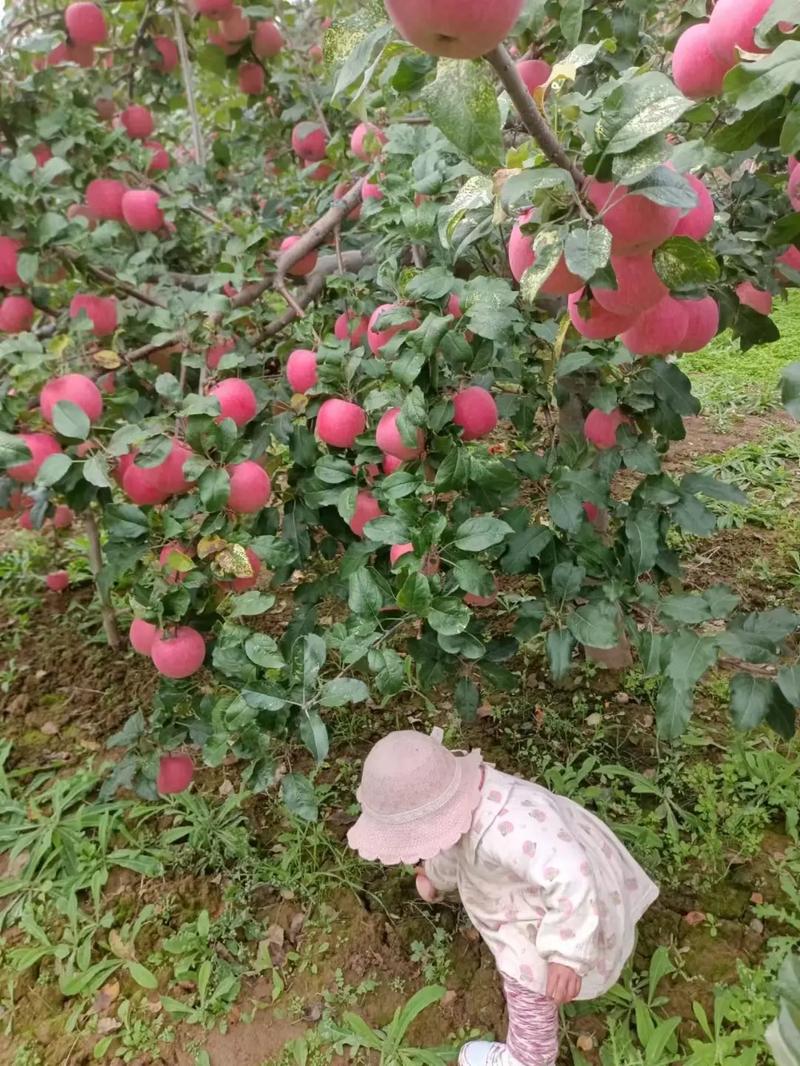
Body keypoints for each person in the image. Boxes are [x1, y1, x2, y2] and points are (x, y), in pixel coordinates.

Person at [347, 729, 659, 1066]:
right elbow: (454, 848)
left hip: (568, 897)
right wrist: (433, 877)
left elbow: (570, 872)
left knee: (526, 975)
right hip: (559, 871)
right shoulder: (468, 797)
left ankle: (527, 1058)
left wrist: (566, 954)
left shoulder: (506, 833)